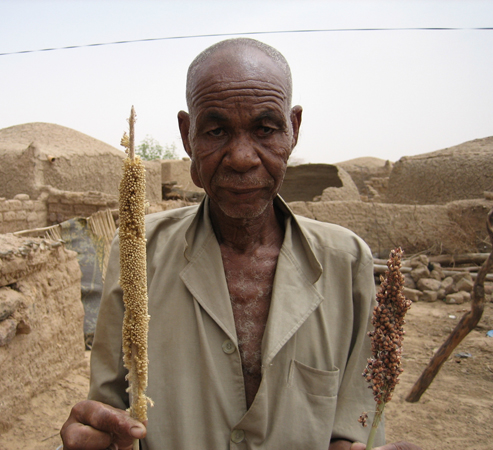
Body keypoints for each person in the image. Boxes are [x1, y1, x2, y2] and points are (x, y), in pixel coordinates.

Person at [61, 38, 421, 450]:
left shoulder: (346, 262)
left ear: (294, 129)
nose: (242, 157)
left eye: (265, 129)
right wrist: (92, 435)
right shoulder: (137, 256)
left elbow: (354, 423)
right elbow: (109, 415)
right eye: (216, 131)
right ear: (187, 134)